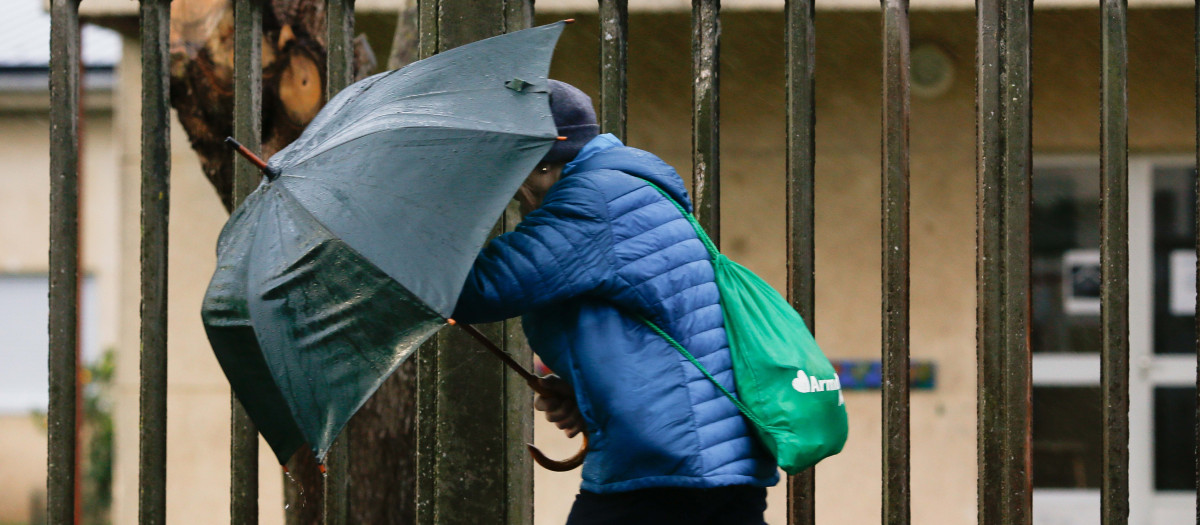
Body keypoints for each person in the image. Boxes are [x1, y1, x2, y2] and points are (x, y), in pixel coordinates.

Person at [453, 80, 778, 524]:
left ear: (543, 161)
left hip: (670, 466)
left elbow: (479, 287)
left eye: (511, 170)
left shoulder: (594, 201)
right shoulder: (622, 187)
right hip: (699, 459)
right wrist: (583, 390)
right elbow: (646, 327)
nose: (511, 191)